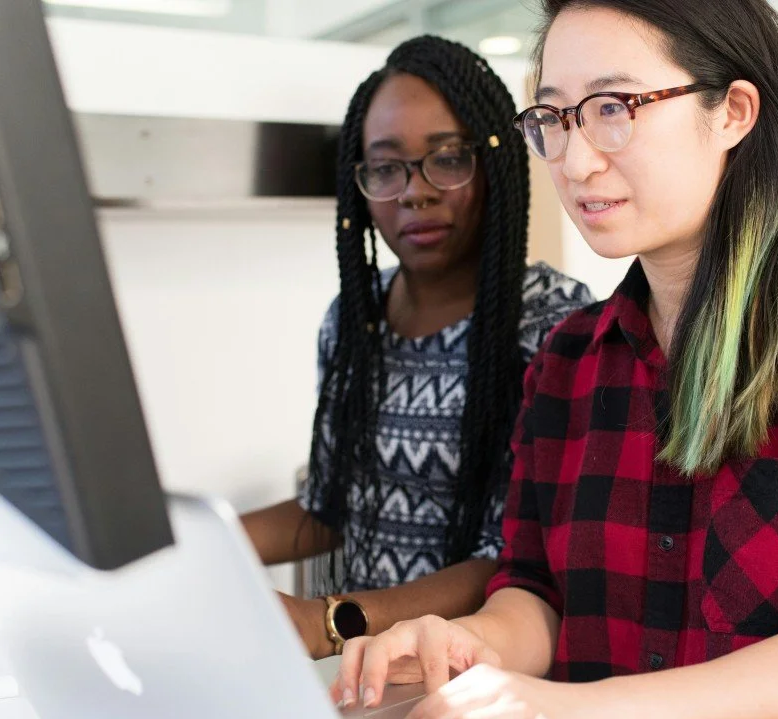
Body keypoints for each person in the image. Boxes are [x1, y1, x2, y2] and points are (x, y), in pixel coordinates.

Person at [329, 2, 778, 718]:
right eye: (555, 120)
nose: (577, 160)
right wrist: (468, 648)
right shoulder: (569, 357)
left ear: (734, 112)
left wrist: (565, 709)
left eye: (614, 108)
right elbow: (536, 592)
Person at [240, 36, 594, 661]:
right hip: (365, 673)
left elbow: (515, 558)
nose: (415, 191)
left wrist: (329, 621)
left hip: (480, 672)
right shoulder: (354, 320)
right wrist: (190, 544)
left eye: (447, 159)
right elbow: (329, 505)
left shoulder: (552, 325)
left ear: (495, 164)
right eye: (386, 167)